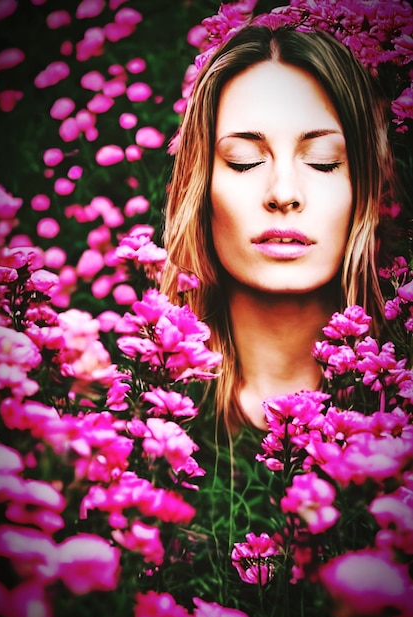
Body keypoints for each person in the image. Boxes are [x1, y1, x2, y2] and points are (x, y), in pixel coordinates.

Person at [161, 24, 395, 433]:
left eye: (323, 161)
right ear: (200, 187)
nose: (283, 193)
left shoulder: (397, 410)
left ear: (364, 185)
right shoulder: (127, 418)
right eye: (244, 160)